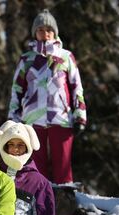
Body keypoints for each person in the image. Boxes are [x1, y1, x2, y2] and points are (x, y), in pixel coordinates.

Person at [7, 9, 87, 184]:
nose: (45, 34)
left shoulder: (65, 57)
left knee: (63, 164)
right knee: (37, 165)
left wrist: (80, 114)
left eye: (49, 30)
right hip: (32, 118)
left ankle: (66, 203)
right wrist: (13, 117)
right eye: (41, 30)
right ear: (35, 33)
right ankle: (40, 200)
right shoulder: (26, 59)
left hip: (60, 117)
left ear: (54, 33)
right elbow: (17, 89)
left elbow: (76, 87)